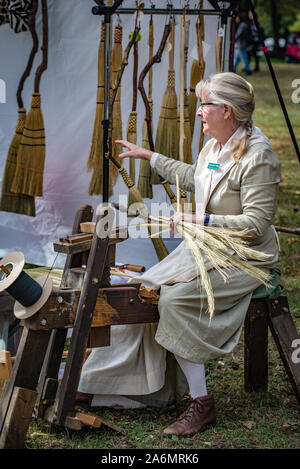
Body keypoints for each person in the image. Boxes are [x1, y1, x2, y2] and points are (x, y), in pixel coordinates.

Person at [77, 72, 281, 437]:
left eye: (205, 104)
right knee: (142, 288)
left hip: (247, 258)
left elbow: (256, 224)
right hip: (207, 247)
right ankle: (125, 386)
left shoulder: (258, 155)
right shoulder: (215, 146)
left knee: (173, 299)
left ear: (227, 110)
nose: (199, 111)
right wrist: (150, 156)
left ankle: (200, 403)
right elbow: (197, 177)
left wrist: (199, 218)